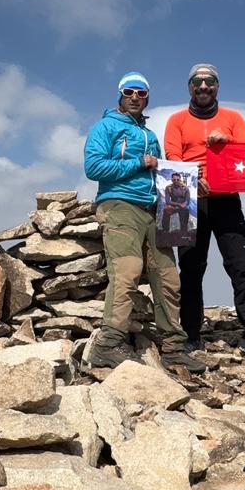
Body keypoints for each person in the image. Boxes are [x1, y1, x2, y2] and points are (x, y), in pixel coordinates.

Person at [83, 73, 204, 373]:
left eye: (141, 92)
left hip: (155, 209)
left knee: (167, 276)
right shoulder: (105, 127)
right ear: (120, 95)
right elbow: (93, 166)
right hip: (120, 205)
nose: (135, 96)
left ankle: (174, 347)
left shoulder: (149, 135)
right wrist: (139, 162)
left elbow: (161, 174)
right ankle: (107, 344)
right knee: (127, 270)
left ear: (147, 97)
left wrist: (187, 177)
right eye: (129, 91)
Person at [164, 63, 245, 354]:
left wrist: (228, 140)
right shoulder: (176, 120)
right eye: (197, 82)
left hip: (227, 199)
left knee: (242, 266)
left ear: (217, 86)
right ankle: (191, 334)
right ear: (189, 87)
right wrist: (190, 174)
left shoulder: (233, 118)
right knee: (190, 269)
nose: (203, 87)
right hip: (188, 200)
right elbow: (172, 156)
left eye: (209, 81)